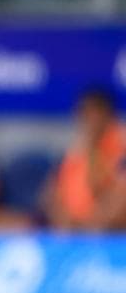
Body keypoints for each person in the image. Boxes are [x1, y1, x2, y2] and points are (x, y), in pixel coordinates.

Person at [43, 89, 124, 230]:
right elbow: (51, 193)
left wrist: (91, 225)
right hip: (72, 232)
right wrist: (63, 219)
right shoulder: (74, 151)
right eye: (83, 113)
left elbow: (108, 194)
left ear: (108, 114)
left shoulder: (121, 148)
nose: (88, 120)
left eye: (93, 113)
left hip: (107, 232)